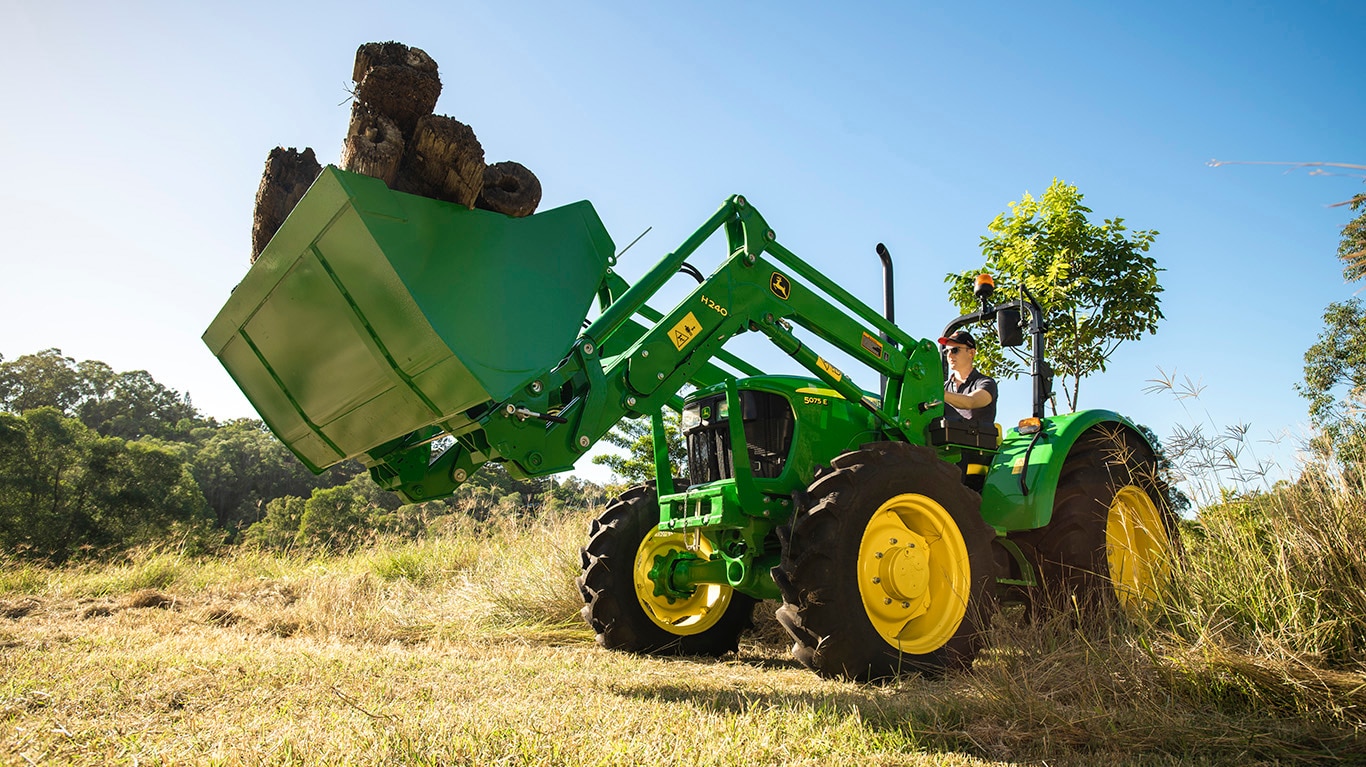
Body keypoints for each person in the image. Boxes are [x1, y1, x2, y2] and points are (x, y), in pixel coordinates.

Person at [938, 330, 997, 490]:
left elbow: (971, 402)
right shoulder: (943, 386)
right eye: (946, 351)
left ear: (971, 352)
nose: (950, 355)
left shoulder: (985, 383)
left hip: (975, 451)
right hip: (946, 448)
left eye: (955, 350)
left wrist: (937, 392)